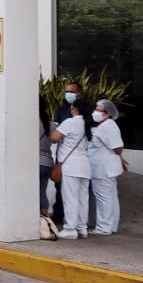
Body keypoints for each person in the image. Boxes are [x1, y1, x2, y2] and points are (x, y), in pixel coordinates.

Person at [51, 98, 92, 240]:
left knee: (70, 198)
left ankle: (70, 228)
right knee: (82, 198)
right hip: (85, 165)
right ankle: (82, 228)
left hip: (71, 165)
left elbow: (54, 137)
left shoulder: (70, 122)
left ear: (74, 109)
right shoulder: (88, 124)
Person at [89, 99, 126, 236]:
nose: (96, 112)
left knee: (103, 197)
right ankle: (111, 226)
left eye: (99, 110)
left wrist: (119, 156)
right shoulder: (104, 125)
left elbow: (117, 147)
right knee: (110, 197)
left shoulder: (107, 126)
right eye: (96, 109)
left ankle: (104, 227)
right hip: (104, 167)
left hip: (103, 168)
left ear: (108, 113)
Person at [39, 96, 55, 215]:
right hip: (47, 162)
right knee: (42, 192)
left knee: (30, 194)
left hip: (34, 162)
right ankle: (45, 222)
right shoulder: (51, 125)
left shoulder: (28, 123)